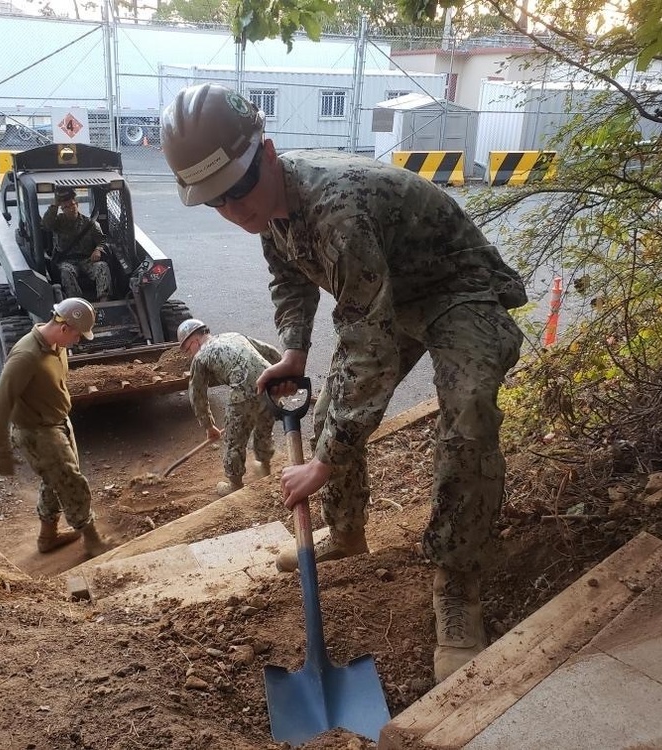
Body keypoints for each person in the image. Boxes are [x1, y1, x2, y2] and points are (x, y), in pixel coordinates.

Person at [160, 84, 527, 682]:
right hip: (389, 293)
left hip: (455, 291)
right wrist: (294, 350)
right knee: (335, 405)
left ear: (268, 154)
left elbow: (370, 344)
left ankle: (457, 582)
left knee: (468, 410)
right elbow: (290, 277)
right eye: (215, 201)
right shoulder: (270, 206)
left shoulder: (337, 210)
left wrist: (323, 463)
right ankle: (349, 529)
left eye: (238, 190)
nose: (232, 209)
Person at [0, 297, 111, 558]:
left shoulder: (58, 345)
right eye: (77, 335)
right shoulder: (26, 356)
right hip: (37, 432)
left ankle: (47, 537)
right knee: (71, 483)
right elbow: (1, 401)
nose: (78, 341)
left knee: (55, 479)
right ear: (64, 327)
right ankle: (92, 541)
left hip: (58, 423)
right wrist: (2, 449)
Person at [177, 318, 281, 497]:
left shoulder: (201, 357)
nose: (190, 355)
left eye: (187, 350)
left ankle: (234, 484)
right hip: (270, 384)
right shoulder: (234, 335)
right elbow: (270, 352)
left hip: (243, 391)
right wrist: (283, 377)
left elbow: (197, 396)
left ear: (194, 341)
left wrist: (209, 426)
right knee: (263, 427)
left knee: (234, 439)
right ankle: (264, 466)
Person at [42, 186, 112, 302]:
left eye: (72, 205)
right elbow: (46, 225)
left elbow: (102, 239)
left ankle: (104, 300)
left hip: (87, 260)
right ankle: (76, 302)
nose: (70, 209)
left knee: (102, 266)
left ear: (77, 205)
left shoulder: (89, 223)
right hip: (66, 260)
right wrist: (55, 205)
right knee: (66, 271)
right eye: (66, 207)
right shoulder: (58, 223)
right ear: (62, 209)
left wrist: (98, 249)